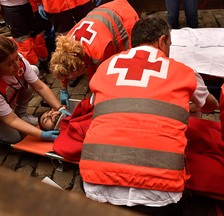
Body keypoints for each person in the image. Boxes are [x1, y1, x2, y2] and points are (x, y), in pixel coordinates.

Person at [79, 17, 219, 215]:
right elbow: (209, 105)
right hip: (161, 193)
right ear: (162, 41)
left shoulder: (105, 67)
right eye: (169, 44)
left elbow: (97, 104)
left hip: (96, 183)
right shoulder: (184, 71)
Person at [49, 0, 139, 108]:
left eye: (73, 77)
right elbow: (64, 65)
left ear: (82, 65)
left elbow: (109, 71)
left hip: (124, 15)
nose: (71, 79)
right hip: (103, 12)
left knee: (129, 59)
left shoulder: (99, 53)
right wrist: (63, 88)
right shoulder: (67, 44)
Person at [0, 0, 52, 73]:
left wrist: (39, 3)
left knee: (38, 37)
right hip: (9, 7)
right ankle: (35, 69)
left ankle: (45, 62)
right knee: (23, 41)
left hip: (31, 4)